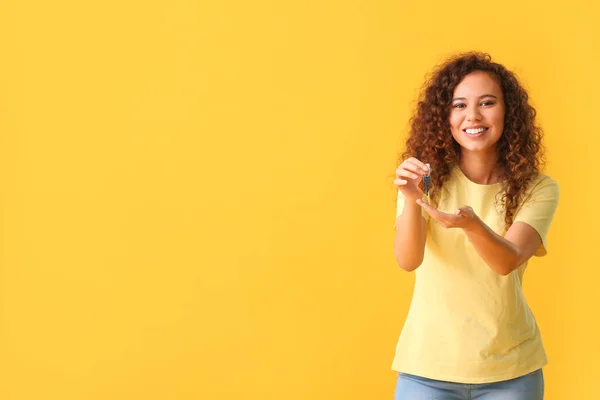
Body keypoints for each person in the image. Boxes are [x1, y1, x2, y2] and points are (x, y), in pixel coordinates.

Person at [391, 52, 559, 399]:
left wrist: (471, 225)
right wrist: (410, 200)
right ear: (444, 116)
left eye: (487, 103)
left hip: (511, 372)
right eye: (459, 106)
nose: (473, 116)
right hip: (426, 368)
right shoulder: (424, 179)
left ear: (507, 111)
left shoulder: (537, 187)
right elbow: (408, 260)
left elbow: (506, 261)